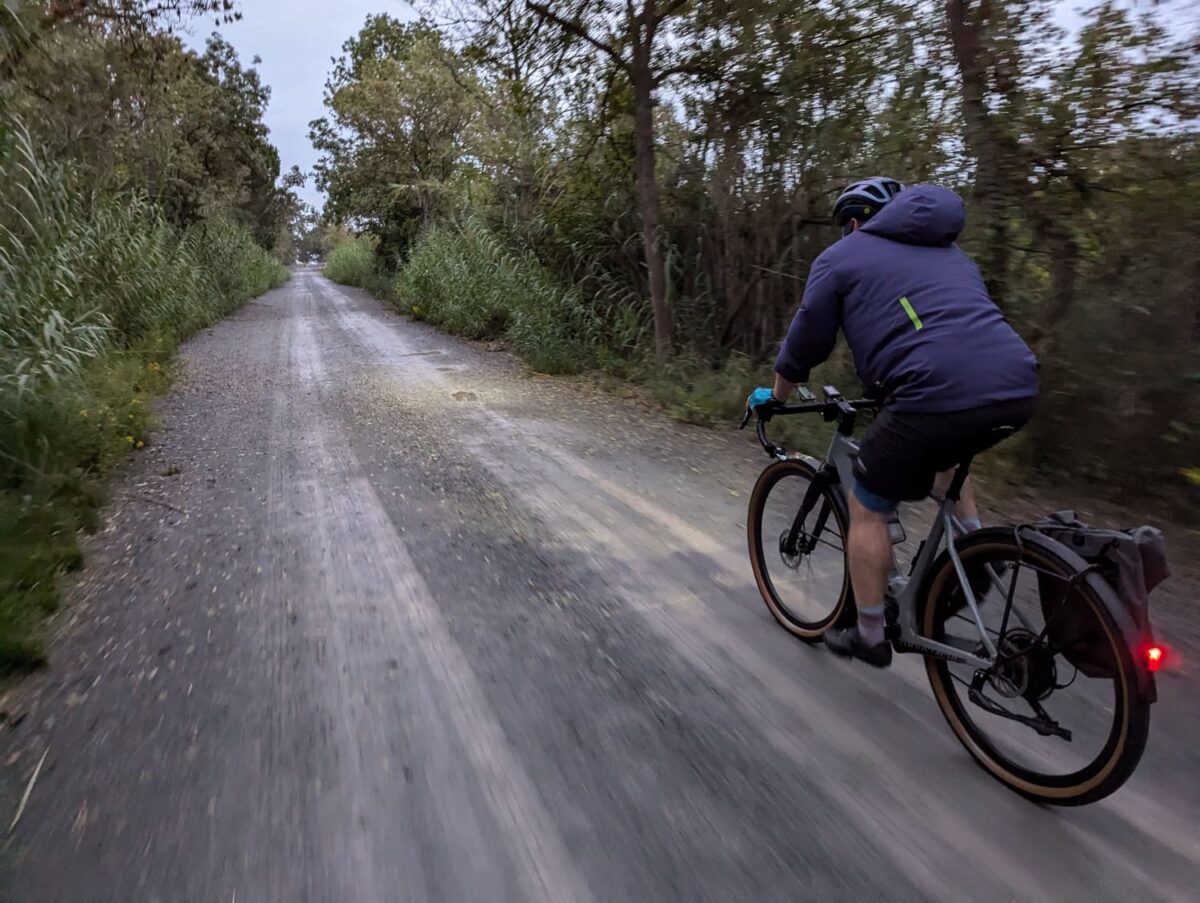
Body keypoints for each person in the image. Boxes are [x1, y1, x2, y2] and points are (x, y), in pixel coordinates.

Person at [746, 178, 1039, 667]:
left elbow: (806, 343)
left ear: (857, 222)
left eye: (847, 227)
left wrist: (775, 395)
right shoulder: (954, 256)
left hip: (930, 393)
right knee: (947, 456)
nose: (847, 236)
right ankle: (975, 548)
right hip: (1016, 386)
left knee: (867, 503)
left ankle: (869, 634)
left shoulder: (842, 258)